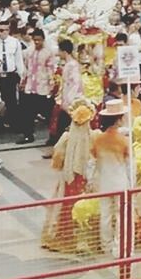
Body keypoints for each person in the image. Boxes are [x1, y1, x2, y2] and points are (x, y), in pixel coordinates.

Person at [41, 100, 95, 252]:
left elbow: (57, 160)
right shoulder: (93, 136)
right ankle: (83, 240)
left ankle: (64, 235)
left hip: (67, 178)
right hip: (86, 178)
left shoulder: (66, 137)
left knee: (65, 205)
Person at [92, 100, 133, 257]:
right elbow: (129, 165)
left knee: (105, 214)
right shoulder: (123, 141)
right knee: (121, 215)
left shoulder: (98, 140)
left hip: (104, 181)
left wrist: (91, 180)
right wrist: (132, 183)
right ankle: (119, 247)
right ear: (118, 119)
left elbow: (92, 162)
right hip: (120, 182)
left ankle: (105, 245)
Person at [20, 28, 57, 144]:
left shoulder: (49, 52)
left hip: (43, 87)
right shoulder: (28, 51)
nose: (37, 42)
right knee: (27, 113)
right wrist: (23, 82)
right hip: (30, 87)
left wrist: (51, 87)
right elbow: (26, 68)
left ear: (43, 40)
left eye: (39, 40)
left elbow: (51, 70)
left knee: (48, 113)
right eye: (35, 40)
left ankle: (53, 136)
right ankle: (28, 135)